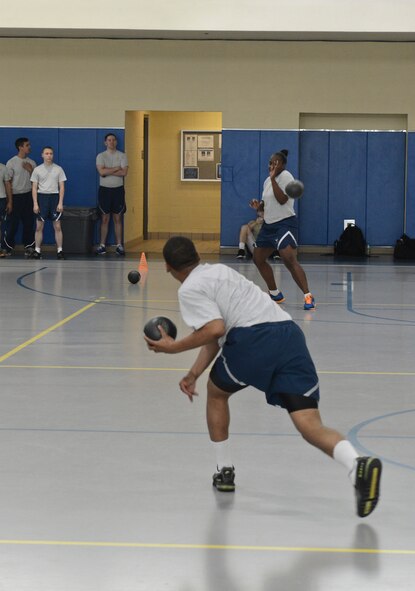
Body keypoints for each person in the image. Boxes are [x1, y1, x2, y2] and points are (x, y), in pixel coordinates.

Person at [144, 236, 382, 518]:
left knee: (217, 393)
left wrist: (173, 348)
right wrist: (193, 372)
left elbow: (215, 329)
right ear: (196, 256)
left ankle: (224, 471)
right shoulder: (220, 271)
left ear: (169, 267)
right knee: (308, 424)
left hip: (254, 339)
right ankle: (358, 465)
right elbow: (213, 336)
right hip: (288, 334)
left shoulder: (190, 289)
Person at [252, 149, 315, 310]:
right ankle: (275, 293)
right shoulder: (267, 181)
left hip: (285, 223)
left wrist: (273, 179)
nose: (272, 165)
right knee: (258, 259)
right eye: (270, 162)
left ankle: (308, 296)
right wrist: (258, 207)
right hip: (269, 225)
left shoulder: (286, 177)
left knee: (288, 258)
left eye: (275, 162)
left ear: (283, 165)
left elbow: (281, 200)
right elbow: (267, 205)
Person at [30, 146, 67, 259]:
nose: (49, 155)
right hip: (42, 198)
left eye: (51, 153)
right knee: (39, 226)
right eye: (46, 153)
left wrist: (60, 202)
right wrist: (35, 203)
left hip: (54, 198)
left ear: (53, 155)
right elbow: (34, 188)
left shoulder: (59, 169)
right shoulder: (37, 170)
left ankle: (59, 251)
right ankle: (37, 250)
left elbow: (61, 187)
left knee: (57, 226)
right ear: (42, 155)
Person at [95, 133, 128, 256]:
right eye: (109, 140)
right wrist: (116, 168)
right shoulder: (101, 156)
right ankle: (102, 245)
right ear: (105, 142)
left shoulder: (122, 156)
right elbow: (101, 171)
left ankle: (119, 245)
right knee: (104, 218)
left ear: (116, 142)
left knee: (117, 218)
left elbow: (124, 172)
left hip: (118, 190)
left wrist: (108, 170)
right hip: (105, 190)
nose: (111, 142)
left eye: (113, 140)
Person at [2, 137, 36, 257]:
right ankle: (7, 248)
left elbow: (35, 183)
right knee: (12, 224)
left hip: (28, 196)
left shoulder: (32, 163)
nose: (29, 147)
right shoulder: (11, 162)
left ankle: (29, 247)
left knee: (28, 223)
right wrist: (9, 201)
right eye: (27, 145)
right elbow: (8, 182)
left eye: (29, 145)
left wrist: (31, 171)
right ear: (20, 147)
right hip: (15, 196)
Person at [0, 162, 12, 258]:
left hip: (1, 199)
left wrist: (10, 201)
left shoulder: (3, 168)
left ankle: (1, 248)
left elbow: (7, 184)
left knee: (1, 225)